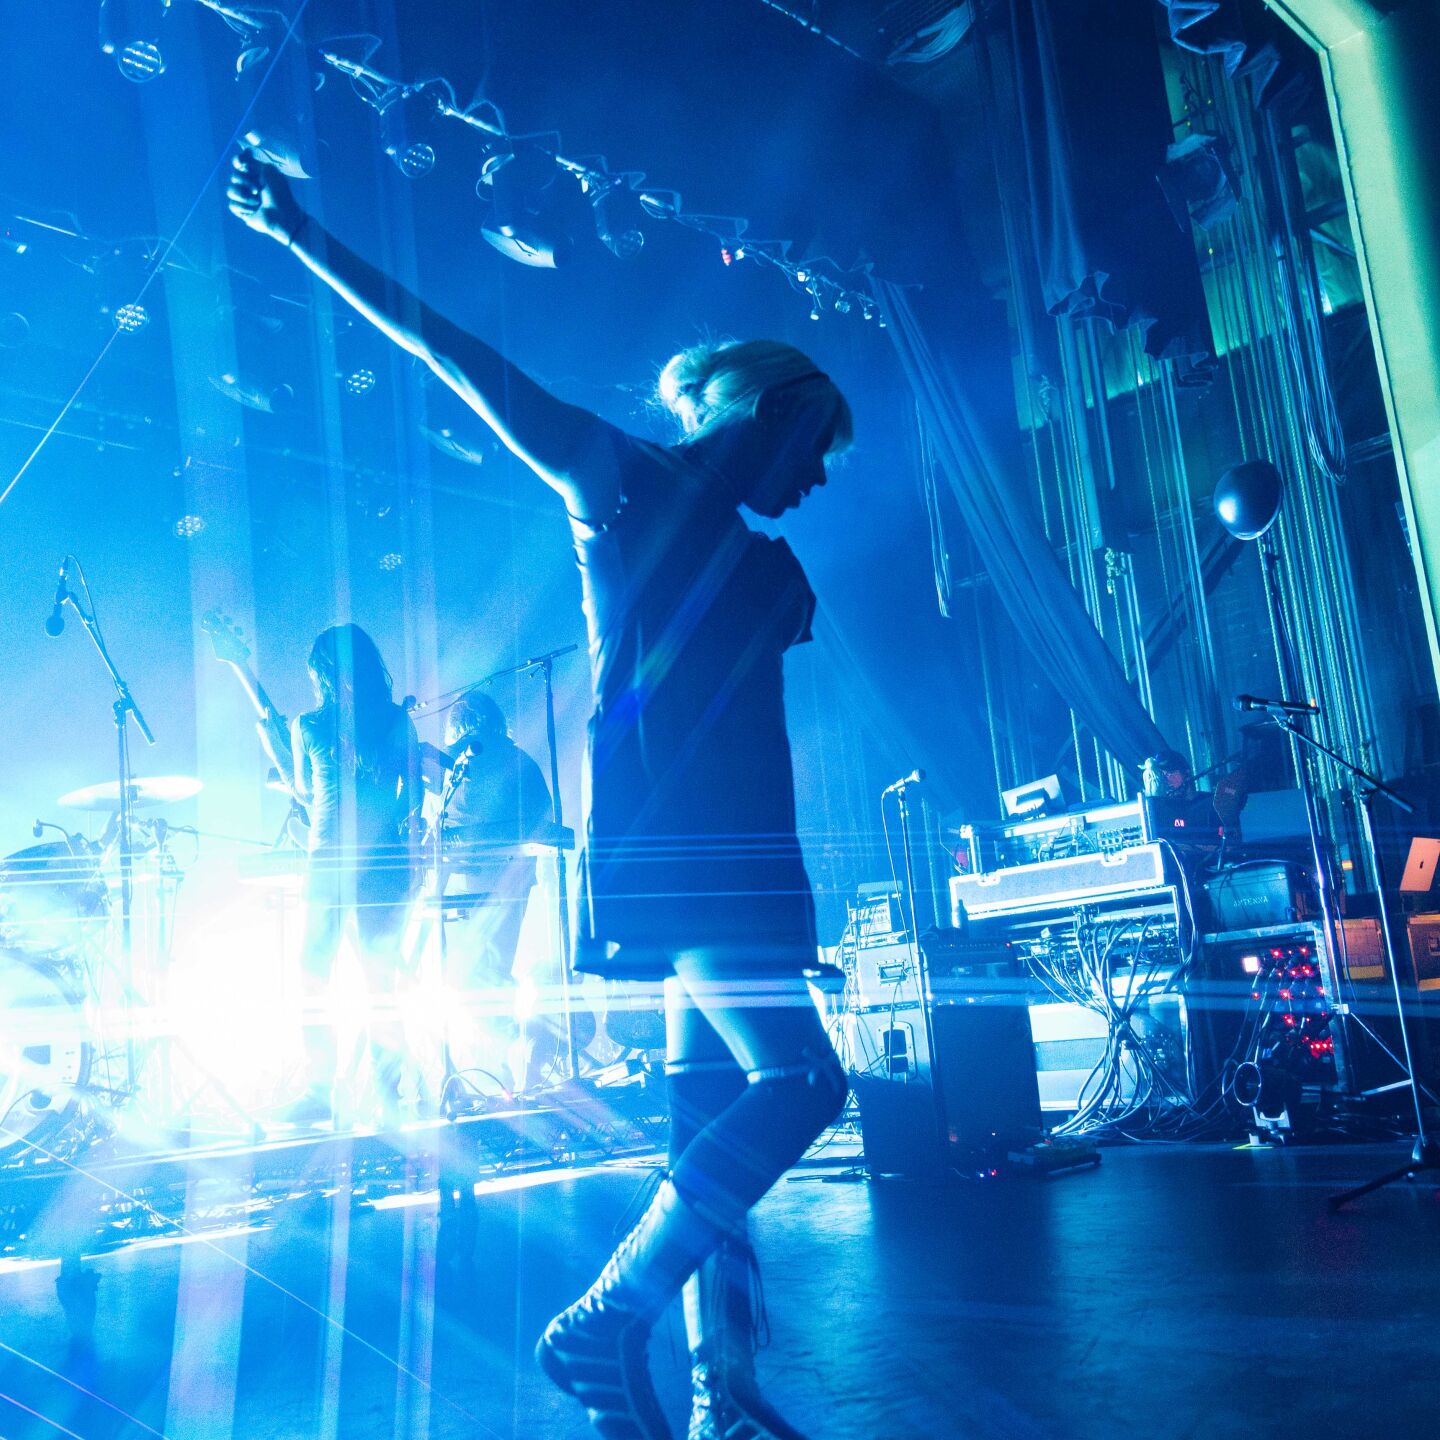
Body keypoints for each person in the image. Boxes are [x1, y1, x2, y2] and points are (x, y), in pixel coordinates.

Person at [229, 144, 850, 1440]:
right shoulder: (624, 484)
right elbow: (458, 356)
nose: (823, 474)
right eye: (821, 441)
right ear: (780, 407)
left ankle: (724, 1394)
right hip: (682, 852)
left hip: (736, 857)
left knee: (709, 1121)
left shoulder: (766, 562)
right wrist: (299, 236)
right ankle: (606, 1319)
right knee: (801, 1087)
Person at [286, 623, 421, 1128]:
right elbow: (415, 793)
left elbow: (303, 791)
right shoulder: (396, 720)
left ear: (321, 672)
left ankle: (319, 1091)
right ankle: (389, 1097)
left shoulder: (307, 725)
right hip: (383, 861)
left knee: (312, 977)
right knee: (380, 981)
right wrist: (388, 825)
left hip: (327, 862)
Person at [435, 689, 553, 1098]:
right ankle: (507, 1063)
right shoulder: (478, 766)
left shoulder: (503, 764)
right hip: (486, 885)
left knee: (475, 977)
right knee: (481, 976)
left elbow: (541, 823)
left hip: (494, 884)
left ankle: (522, 1042)